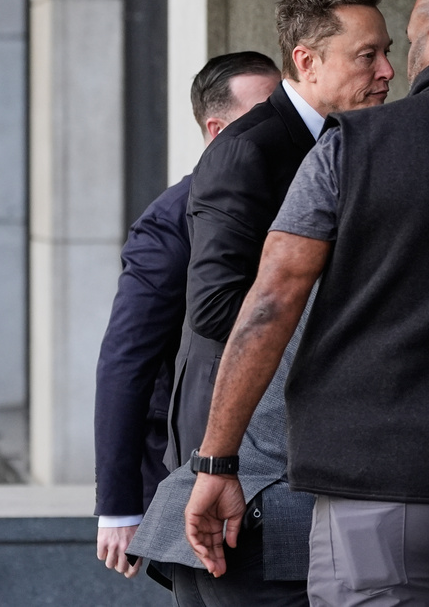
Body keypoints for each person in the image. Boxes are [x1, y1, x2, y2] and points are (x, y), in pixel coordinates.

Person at [184, 0, 429, 605]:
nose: (393, 68)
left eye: (401, 45)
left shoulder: (351, 147)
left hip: (369, 491)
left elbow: (268, 307)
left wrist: (216, 461)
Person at [126, 0, 394, 606]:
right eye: (367, 55)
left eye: (388, 52)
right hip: (252, 462)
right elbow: (216, 309)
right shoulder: (248, 149)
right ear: (307, 61)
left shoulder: (357, 140)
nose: (387, 70)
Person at [93, 51, 281, 581]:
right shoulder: (173, 220)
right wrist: (120, 504)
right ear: (218, 131)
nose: (281, 126)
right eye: (265, 114)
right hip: (199, 476)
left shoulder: (295, 193)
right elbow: (125, 358)